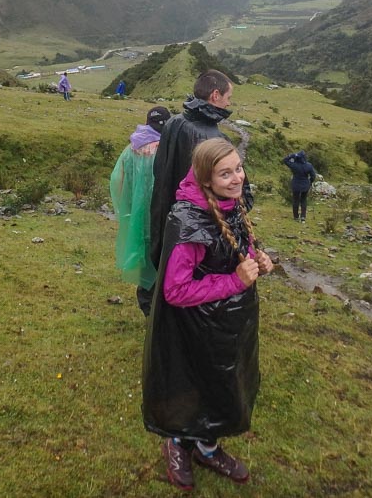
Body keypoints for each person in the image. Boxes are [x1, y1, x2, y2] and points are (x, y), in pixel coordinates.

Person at [143, 138, 273, 491]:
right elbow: (175, 290)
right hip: (195, 326)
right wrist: (234, 281)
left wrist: (258, 259)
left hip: (231, 321)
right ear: (205, 180)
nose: (237, 179)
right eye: (225, 173)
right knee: (195, 384)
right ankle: (180, 443)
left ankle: (208, 447)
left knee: (225, 384)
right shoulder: (187, 222)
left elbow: (236, 243)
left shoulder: (231, 204)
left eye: (238, 168)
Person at [145, 69, 242, 315]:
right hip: (199, 227)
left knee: (168, 268)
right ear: (215, 95)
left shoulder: (174, 122)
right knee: (188, 279)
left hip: (167, 213)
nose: (230, 102)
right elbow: (228, 194)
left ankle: (155, 309)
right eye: (228, 97)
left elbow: (160, 169)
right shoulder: (213, 139)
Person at [110, 106, 171, 316]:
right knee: (165, 260)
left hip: (139, 220)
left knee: (145, 260)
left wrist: (126, 210)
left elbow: (118, 181)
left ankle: (148, 308)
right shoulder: (168, 149)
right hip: (164, 219)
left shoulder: (131, 148)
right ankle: (164, 309)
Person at [282, 150, 317, 223]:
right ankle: (303, 217)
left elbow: (285, 160)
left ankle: (296, 216)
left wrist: (292, 155)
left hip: (296, 184)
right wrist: (310, 182)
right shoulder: (309, 165)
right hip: (305, 185)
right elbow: (313, 176)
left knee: (295, 200)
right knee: (303, 200)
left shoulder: (294, 165)